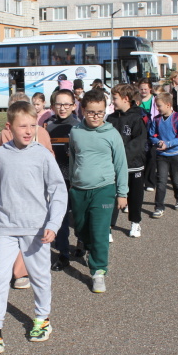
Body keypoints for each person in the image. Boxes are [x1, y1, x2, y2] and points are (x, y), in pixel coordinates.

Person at [0, 101, 68, 355]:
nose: (29, 131)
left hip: (36, 228)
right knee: (0, 277)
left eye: (33, 125)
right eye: (23, 126)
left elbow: (58, 191)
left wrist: (53, 224)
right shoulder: (2, 154)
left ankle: (42, 319)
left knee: (40, 276)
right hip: (6, 227)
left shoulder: (42, 155)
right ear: (9, 127)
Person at [69, 89, 128, 293]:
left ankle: (99, 270)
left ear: (105, 111)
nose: (95, 117)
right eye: (91, 112)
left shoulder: (112, 134)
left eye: (100, 112)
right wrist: (71, 183)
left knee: (100, 230)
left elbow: (121, 164)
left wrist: (122, 193)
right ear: (83, 110)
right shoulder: (76, 132)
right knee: (81, 228)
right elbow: (73, 159)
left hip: (104, 189)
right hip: (79, 190)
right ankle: (87, 244)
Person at [0, 93, 53, 289]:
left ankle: (23, 271)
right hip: (13, 193)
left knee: (30, 234)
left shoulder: (42, 133)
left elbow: (49, 157)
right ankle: (18, 270)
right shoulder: (4, 135)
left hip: (36, 192)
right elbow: (2, 161)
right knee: (15, 230)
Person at [45, 89, 81, 271]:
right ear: (52, 106)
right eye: (59, 104)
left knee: (80, 218)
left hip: (75, 178)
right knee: (60, 218)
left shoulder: (79, 126)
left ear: (74, 106)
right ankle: (63, 254)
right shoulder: (46, 125)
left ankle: (82, 242)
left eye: (67, 104)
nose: (62, 108)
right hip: (55, 179)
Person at [107, 84, 147, 239]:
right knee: (112, 196)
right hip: (114, 166)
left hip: (133, 165)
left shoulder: (137, 118)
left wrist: (122, 157)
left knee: (135, 196)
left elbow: (139, 141)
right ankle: (109, 227)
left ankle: (135, 222)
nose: (113, 101)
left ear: (125, 99)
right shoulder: (111, 118)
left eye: (115, 98)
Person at [148, 94, 178, 218]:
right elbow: (151, 135)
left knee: (176, 178)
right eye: (156, 106)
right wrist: (158, 142)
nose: (157, 108)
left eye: (159, 106)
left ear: (168, 105)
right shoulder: (157, 119)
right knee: (161, 181)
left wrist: (168, 144)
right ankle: (159, 207)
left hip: (176, 154)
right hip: (161, 155)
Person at [136, 80, 159, 192]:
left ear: (150, 89)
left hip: (152, 130)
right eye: (141, 89)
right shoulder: (136, 100)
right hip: (140, 131)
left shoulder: (155, 100)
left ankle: (150, 182)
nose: (143, 91)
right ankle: (141, 180)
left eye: (145, 88)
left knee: (151, 156)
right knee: (141, 156)